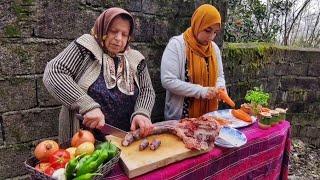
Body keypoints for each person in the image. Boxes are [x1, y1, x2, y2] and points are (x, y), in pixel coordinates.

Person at [43, 7, 155, 143]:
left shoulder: (135, 59)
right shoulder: (86, 47)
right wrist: (87, 105)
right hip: (84, 139)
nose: (118, 38)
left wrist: (142, 112)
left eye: (124, 34)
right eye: (113, 31)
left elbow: (146, 90)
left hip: (126, 140)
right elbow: (54, 72)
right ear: (102, 28)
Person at [161, 4, 229, 120]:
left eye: (215, 32)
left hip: (208, 117)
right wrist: (201, 91)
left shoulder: (214, 49)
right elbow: (168, 81)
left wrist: (220, 87)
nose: (211, 37)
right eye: (207, 30)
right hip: (181, 118)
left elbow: (219, 76)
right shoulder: (177, 45)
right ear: (197, 24)